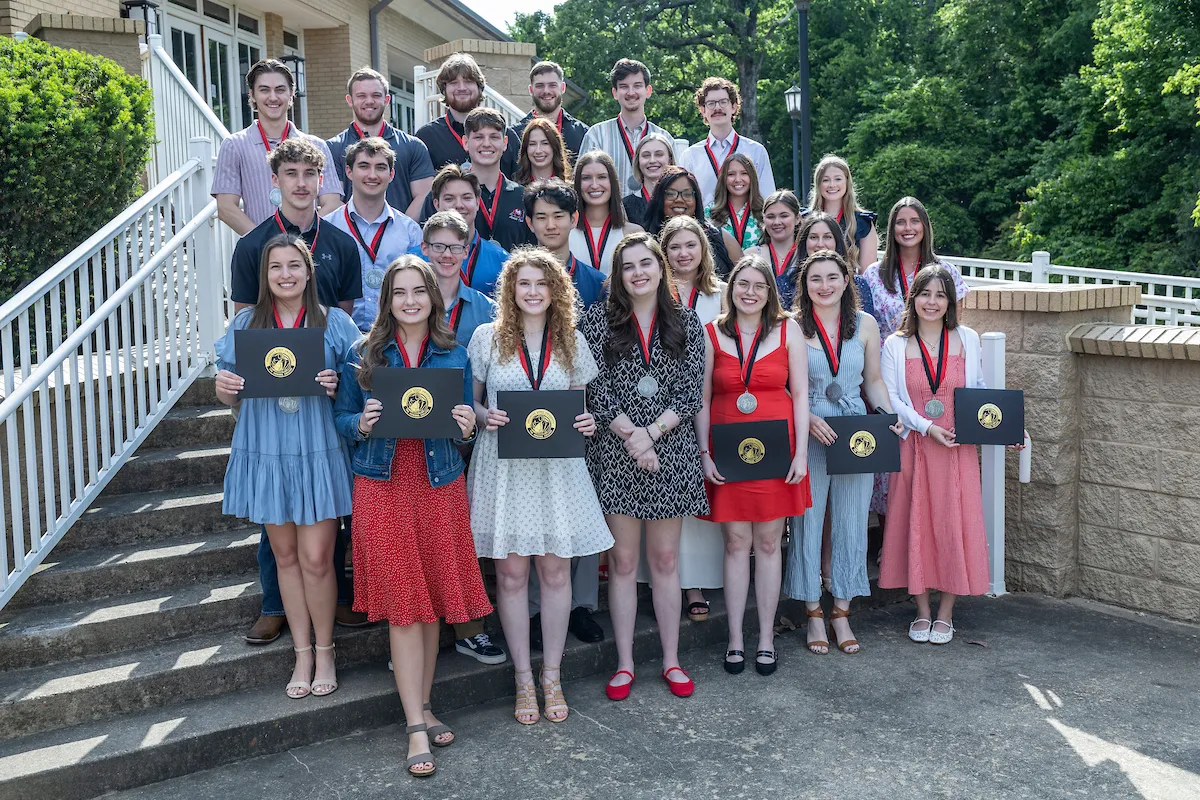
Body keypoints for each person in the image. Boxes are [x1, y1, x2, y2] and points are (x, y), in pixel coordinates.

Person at [332, 256, 487, 778]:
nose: (410, 301)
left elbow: (463, 425)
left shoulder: (454, 354)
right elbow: (342, 418)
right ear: (387, 300)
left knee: (433, 602)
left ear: (432, 297)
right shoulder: (364, 354)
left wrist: (467, 424)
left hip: (439, 484)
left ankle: (422, 706)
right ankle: (414, 726)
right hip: (383, 485)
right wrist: (363, 422)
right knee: (405, 605)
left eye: (418, 291)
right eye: (399, 292)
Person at [228, 138, 366, 643]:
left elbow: (348, 331)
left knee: (321, 539)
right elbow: (246, 329)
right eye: (291, 175)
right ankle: (275, 605)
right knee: (280, 535)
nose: (302, 184)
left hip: (318, 419)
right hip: (271, 419)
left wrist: (337, 380)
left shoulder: (341, 243)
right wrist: (234, 387)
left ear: (323, 180)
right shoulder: (251, 246)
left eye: (310, 175)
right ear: (276, 182)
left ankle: (333, 603)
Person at [467, 249, 612, 725]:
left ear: (556, 291)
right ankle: (523, 679)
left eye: (541, 284)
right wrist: (489, 417)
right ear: (510, 289)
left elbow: (578, 407)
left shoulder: (571, 340)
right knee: (510, 577)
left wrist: (587, 422)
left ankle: (553, 674)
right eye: (523, 283)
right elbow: (471, 408)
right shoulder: (486, 338)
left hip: (556, 471)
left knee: (555, 575)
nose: (532, 292)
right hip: (505, 469)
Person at [213, 234, 360, 699]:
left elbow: (358, 387)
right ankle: (301, 653)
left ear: (308, 270)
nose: (285, 274)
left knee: (318, 558)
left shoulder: (333, 322)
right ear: (265, 275)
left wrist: (338, 385)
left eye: (294, 265)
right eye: (275, 267)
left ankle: (326, 649)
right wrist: (225, 386)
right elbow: (226, 395)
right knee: (285, 558)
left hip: (316, 447)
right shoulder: (247, 323)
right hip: (267, 450)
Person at [581, 233, 708, 701]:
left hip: (669, 451)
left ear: (660, 268)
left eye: (645, 264)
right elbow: (595, 389)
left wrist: (650, 435)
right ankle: (626, 663)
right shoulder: (597, 322)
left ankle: (672, 661)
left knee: (665, 562)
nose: (638, 273)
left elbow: (690, 392)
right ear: (618, 276)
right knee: (623, 562)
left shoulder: (688, 323)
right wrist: (631, 436)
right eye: (628, 266)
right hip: (615, 454)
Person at [879, 265, 1022, 645]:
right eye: (925, 293)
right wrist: (927, 427)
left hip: (957, 447)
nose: (932, 302)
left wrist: (1010, 427)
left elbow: (978, 388)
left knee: (954, 524)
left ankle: (946, 614)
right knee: (917, 524)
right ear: (914, 297)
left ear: (950, 301)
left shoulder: (966, 338)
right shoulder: (894, 343)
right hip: (915, 446)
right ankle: (922, 611)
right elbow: (892, 398)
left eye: (941, 295)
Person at [782, 250, 902, 655]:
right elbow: (783, 386)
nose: (825, 285)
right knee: (808, 520)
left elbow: (873, 380)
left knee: (852, 519)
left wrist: (887, 416)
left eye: (832, 277)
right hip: (810, 427)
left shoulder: (865, 325)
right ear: (805, 284)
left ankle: (842, 611)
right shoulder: (792, 326)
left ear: (846, 280)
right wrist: (807, 418)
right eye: (815, 278)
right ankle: (813, 612)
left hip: (854, 430)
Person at [696, 255, 811, 676]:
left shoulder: (788, 329)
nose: (749, 292)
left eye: (758, 286)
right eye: (742, 284)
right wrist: (704, 453)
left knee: (767, 544)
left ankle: (765, 638)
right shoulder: (711, 333)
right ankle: (735, 639)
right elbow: (703, 398)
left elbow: (800, 394)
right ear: (731, 288)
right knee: (735, 544)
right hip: (726, 450)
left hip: (777, 451)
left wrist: (800, 454)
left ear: (769, 292)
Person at [415, 211, 508, 667]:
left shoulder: (486, 309)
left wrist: (484, 415)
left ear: (468, 250)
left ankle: (471, 627)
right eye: (438, 245)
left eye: (456, 246)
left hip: (479, 437)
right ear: (424, 248)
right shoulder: (408, 298)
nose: (446, 255)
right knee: (429, 539)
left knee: (466, 538)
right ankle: (416, 636)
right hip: (422, 439)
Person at [861, 197, 969, 534]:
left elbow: (954, 325)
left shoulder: (945, 271)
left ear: (925, 226)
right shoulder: (874, 274)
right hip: (884, 373)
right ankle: (891, 537)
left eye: (914, 221)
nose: (908, 229)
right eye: (900, 222)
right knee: (889, 457)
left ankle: (927, 537)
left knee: (927, 455)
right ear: (891, 229)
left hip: (930, 376)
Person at [648, 216, 726, 623]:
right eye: (674, 246)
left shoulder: (722, 295)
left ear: (703, 250)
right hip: (663, 409)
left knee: (701, 496)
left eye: (690, 245)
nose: (683, 253)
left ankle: (695, 580)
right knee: (669, 502)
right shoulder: (653, 292)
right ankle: (671, 582)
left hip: (714, 402)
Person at [213, 59, 343, 235]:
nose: (273, 97)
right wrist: (265, 244)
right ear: (252, 95)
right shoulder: (234, 146)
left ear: (291, 94)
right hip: (261, 255)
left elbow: (332, 203)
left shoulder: (316, 146)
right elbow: (226, 207)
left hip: (308, 252)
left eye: (280, 90)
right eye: (264, 90)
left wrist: (303, 241)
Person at [324, 137, 423, 333]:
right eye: (364, 166)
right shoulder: (328, 227)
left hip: (396, 336)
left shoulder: (410, 232)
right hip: (341, 336)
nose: (372, 175)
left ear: (392, 174)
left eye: (380, 167)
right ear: (349, 171)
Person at [326, 67, 436, 220]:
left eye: (376, 95)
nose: (369, 101)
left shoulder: (413, 146)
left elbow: (423, 195)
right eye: (361, 95)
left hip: (402, 240)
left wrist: (399, 231)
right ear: (349, 100)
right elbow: (331, 201)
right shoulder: (332, 148)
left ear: (387, 99)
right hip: (349, 240)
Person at [577, 59, 676, 195]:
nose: (631, 92)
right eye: (624, 86)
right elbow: (581, 181)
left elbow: (675, 184)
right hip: (611, 214)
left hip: (654, 214)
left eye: (637, 85)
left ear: (648, 90)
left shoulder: (665, 139)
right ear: (615, 93)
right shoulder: (596, 135)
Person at [410, 165, 509, 297]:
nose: (459, 205)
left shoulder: (502, 261)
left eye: (466, 198)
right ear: (436, 205)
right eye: (449, 199)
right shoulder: (414, 260)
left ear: (478, 203)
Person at [680, 76, 775, 208]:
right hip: (705, 227)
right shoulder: (690, 156)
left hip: (747, 227)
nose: (717, 107)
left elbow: (768, 198)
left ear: (734, 107)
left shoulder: (756, 151)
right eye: (711, 103)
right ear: (703, 110)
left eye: (723, 102)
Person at [415, 53, 517, 173]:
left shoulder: (506, 135)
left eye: (468, 81)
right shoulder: (427, 137)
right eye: (453, 82)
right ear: (444, 89)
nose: (462, 88)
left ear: (479, 87)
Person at [771, 209, 876, 318]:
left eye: (827, 237)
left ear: (837, 241)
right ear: (804, 242)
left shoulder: (859, 285)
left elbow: (866, 329)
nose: (820, 244)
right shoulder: (785, 285)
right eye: (813, 237)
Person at [643, 166, 741, 278]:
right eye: (670, 194)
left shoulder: (719, 236)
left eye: (687, 194)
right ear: (659, 199)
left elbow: (744, 277)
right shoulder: (647, 241)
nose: (679, 199)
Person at [525, 179, 607, 311]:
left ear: (573, 220)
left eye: (558, 216)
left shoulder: (598, 284)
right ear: (530, 223)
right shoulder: (517, 281)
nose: (550, 226)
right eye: (541, 218)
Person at [568, 151, 643, 276]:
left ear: (612, 182)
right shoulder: (565, 232)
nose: (594, 185)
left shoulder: (633, 233)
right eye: (586, 178)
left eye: (602, 177)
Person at [508, 60, 589, 165]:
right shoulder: (514, 135)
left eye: (552, 85)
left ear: (563, 88)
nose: (546, 91)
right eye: (540, 85)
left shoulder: (583, 134)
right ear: (530, 90)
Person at [806, 154, 877, 272]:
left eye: (838, 179)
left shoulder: (862, 223)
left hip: (850, 287)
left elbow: (867, 274)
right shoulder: (805, 220)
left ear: (847, 182)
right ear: (818, 184)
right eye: (826, 180)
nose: (832, 185)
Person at [706, 153, 765, 251]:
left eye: (744, 173)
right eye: (731, 174)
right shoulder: (710, 211)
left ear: (752, 177)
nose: (737, 179)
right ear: (724, 179)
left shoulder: (764, 211)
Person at [622, 132, 675, 228]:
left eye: (659, 154)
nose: (652, 160)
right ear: (638, 161)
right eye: (646, 155)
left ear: (670, 159)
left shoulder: (681, 200)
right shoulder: (625, 206)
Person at [513, 117, 572, 185]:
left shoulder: (570, 190)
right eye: (532, 144)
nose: (538, 151)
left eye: (545, 143)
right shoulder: (516, 191)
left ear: (555, 146)